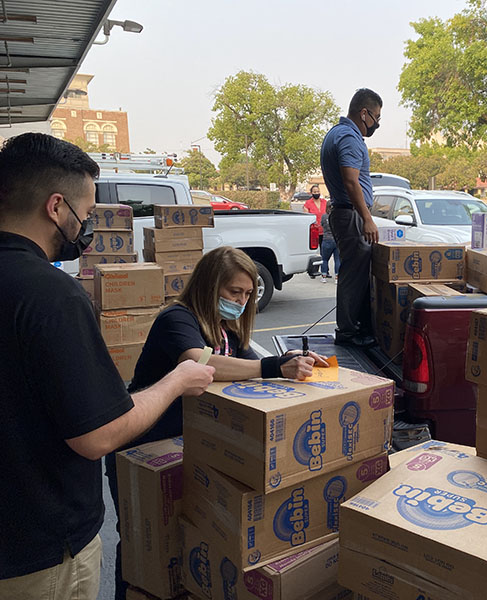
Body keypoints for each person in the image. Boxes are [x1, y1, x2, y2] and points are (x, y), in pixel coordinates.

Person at [0, 133, 215, 599]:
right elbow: (98, 434)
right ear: (56, 207)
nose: (85, 226)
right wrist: (177, 380)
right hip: (37, 555)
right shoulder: (48, 294)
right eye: (86, 212)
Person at [105, 245, 327, 600]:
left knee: (183, 542)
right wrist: (271, 367)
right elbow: (201, 365)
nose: (241, 301)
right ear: (210, 286)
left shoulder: (227, 331)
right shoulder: (177, 320)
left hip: (186, 450)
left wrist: (291, 361)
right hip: (141, 448)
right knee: (139, 545)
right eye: (233, 292)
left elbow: (254, 370)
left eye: (248, 294)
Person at [320, 88, 382, 347]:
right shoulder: (349, 136)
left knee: (354, 272)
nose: (377, 123)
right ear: (363, 112)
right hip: (351, 214)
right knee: (353, 275)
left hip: (345, 213)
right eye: (376, 117)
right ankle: (349, 331)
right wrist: (366, 217)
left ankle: (353, 327)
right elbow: (350, 180)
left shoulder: (337, 132)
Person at [319, 200, 340, 282]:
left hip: (326, 239)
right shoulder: (338, 216)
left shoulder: (324, 216)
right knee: (337, 259)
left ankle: (324, 276)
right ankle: (337, 277)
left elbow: (322, 224)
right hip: (336, 239)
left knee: (324, 259)